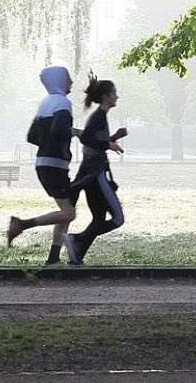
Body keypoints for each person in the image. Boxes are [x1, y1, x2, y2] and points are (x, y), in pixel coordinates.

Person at [6, 65, 79, 263]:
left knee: (66, 212)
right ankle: (22, 224)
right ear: (60, 81)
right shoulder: (63, 102)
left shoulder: (45, 103)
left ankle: (53, 258)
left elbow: (32, 136)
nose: (71, 81)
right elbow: (59, 129)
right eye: (68, 78)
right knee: (68, 213)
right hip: (55, 165)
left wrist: (48, 144)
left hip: (45, 163)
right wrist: (75, 133)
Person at [65, 77, 127, 265]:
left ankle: (77, 256)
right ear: (106, 97)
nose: (117, 97)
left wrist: (113, 137)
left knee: (99, 218)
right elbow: (86, 138)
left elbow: (94, 141)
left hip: (91, 174)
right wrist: (108, 144)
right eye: (114, 93)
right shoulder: (98, 116)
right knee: (117, 219)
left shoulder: (100, 117)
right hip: (96, 174)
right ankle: (76, 239)